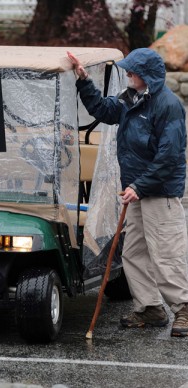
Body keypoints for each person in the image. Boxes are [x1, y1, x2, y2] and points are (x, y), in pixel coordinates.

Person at [67, 48, 188, 337]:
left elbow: (170, 156)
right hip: (136, 192)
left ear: (146, 75)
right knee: (134, 252)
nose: (128, 73)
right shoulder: (130, 99)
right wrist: (84, 80)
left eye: (132, 71)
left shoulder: (167, 105)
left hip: (159, 193)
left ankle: (183, 309)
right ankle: (150, 308)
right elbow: (104, 110)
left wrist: (139, 185)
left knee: (166, 255)